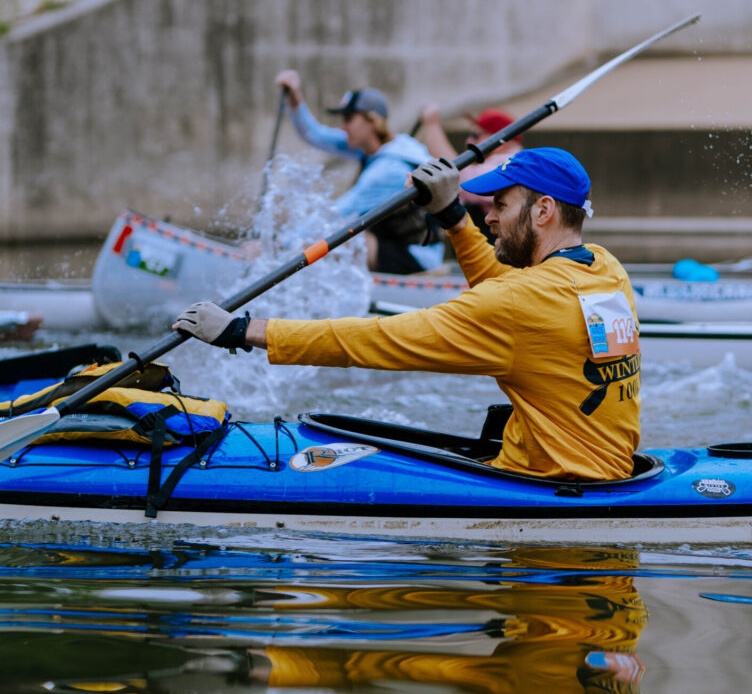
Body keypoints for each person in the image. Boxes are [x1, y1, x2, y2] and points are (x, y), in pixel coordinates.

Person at [174, 147, 642, 481]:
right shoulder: (605, 268)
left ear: (543, 211)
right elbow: (509, 297)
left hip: (552, 482)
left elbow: (378, 339)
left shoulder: (520, 302)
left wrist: (244, 330)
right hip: (607, 467)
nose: (491, 217)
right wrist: (452, 216)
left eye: (500, 205)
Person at [273, 69, 443, 274]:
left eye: (348, 118)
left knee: (345, 239)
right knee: (330, 239)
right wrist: (294, 98)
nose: (343, 126)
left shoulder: (388, 170)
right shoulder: (373, 148)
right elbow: (314, 134)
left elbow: (337, 214)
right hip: (390, 242)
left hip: (418, 256)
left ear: (372, 121)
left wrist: (280, 244)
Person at [417, 103, 524, 234]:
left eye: (476, 135)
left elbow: (456, 177)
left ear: (500, 141)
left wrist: (432, 124)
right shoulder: (508, 162)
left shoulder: (511, 165)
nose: (469, 140)